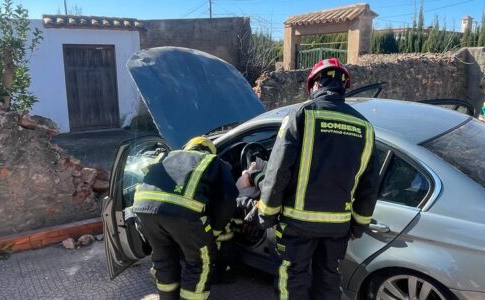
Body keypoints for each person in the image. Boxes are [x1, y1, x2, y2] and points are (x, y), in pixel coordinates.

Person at [258, 58, 379, 300]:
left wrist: (267, 213)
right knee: (328, 280)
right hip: (338, 227)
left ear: (313, 85)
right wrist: (359, 224)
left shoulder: (302, 114)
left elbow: (278, 169)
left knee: (292, 279)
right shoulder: (365, 127)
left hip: (297, 223)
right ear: (343, 86)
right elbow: (369, 184)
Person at [132, 136, 238, 300]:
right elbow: (228, 200)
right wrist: (215, 229)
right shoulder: (213, 161)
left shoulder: (167, 155)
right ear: (211, 150)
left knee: (163, 260)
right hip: (182, 215)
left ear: (188, 147)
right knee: (199, 263)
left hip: (143, 209)